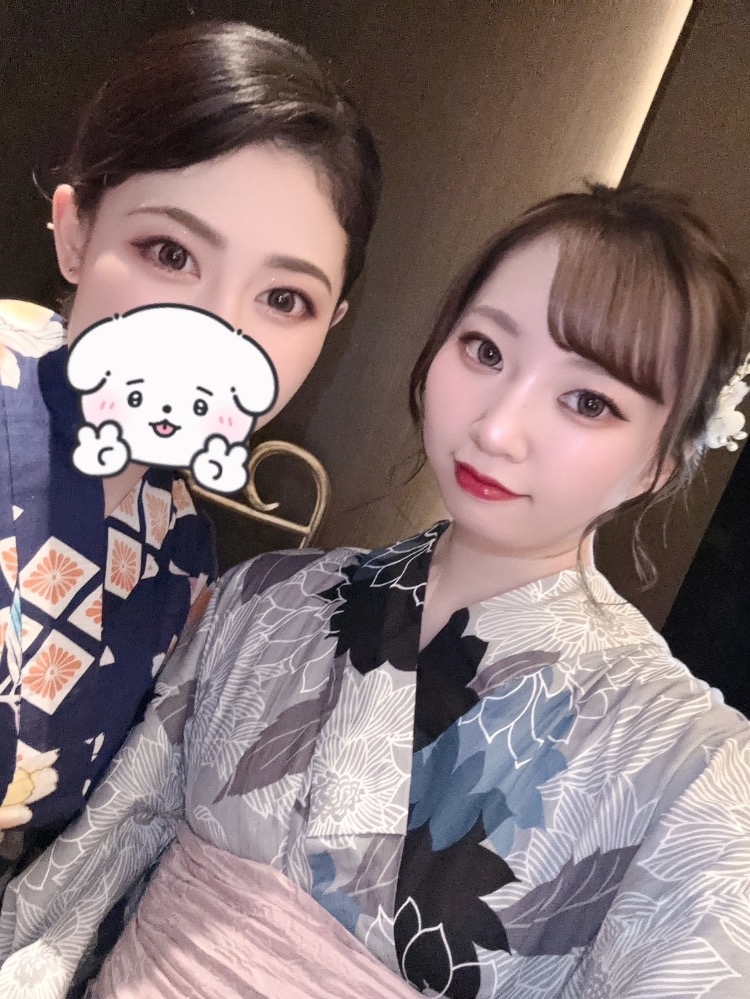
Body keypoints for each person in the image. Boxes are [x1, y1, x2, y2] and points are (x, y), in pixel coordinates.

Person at [1, 183, 749, 999]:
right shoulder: (265, 600)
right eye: (486, 351)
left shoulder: (691, 765)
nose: (498, 428)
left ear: (659, 461)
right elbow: (96, 866)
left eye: (589, 401)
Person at [0, 18, 381, 889]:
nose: (212, 331)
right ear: (74, 231)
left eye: (283, 298)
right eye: (169, 253)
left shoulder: (185, 561)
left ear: (328, 330)